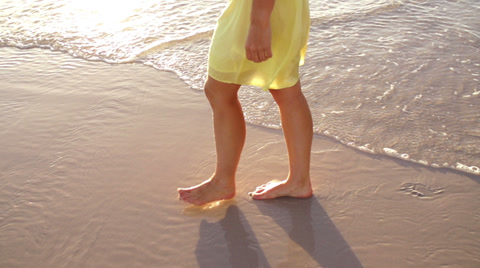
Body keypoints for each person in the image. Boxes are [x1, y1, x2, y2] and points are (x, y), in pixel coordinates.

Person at [178, 0, 313, 206]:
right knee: (285, 89)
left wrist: (259, 23)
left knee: (220, 89)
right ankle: (299, 180)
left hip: (261, 10)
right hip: (279, 9)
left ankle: (223, 182)